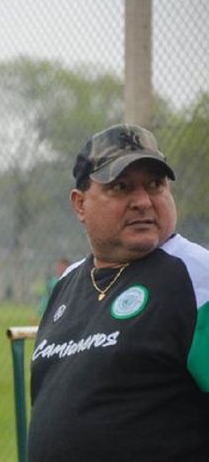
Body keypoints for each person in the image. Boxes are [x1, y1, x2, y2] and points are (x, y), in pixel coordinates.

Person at [28, 124, 209, 461]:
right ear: (80, 204)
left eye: (155, 185)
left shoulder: (197, 277)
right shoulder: (68, 282)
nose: (142, 201)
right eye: (121, 187)